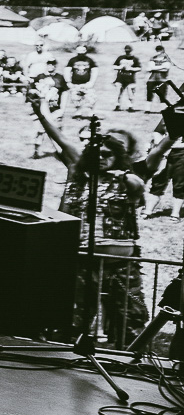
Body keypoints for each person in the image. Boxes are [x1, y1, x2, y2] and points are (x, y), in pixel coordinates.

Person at [33, 100, 161, 342]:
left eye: (107, 154)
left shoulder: (128, 179)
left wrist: (124, 177)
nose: (101, 158)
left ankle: (126, 357)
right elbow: (61, 140)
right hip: (83, 259)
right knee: (75, 314)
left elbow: (139, 183)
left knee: (129, 317)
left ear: (118, 156)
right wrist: (41, 112)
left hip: (120, 263)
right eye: (97, 154)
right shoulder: (81, 176)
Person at [65, 45, 96, 120]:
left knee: (90, 99)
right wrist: (68, 82)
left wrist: (91, 82)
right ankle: (78, 113)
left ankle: (90, 114)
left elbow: (95, 71)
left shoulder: (90, 60)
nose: (81, 52)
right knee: (76, 99)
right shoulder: (72, 60)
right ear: (76, 51)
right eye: (79, 50)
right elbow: (67, 71)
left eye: (82, 50)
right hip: (75, 84)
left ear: (85, 51)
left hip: (87, 84)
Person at [113, 45, 142, 112]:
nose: (128, 52)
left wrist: (131, 69)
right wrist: (120, 67)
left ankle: (130, 106)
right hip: (120, 78)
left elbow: (139, 68)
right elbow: (114, 66)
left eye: (129, 51)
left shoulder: (135, 59)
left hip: (130, 78)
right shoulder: (120, 58)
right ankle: (117, 105)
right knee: (118, 92)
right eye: (126, 51)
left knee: (130, 93)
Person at [147, 44, 176, 110]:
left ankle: (162, 109)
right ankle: (147, 109)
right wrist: (162, 67)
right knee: (149, 93)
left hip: (162, 79)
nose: (159, 52)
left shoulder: (167, 58)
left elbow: (166, 68)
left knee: (162, 94)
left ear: (163, 51)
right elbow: (149, 68)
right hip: (152, 79)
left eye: (160, 50)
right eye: (157, 50)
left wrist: (154, 68)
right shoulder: (153, 58)